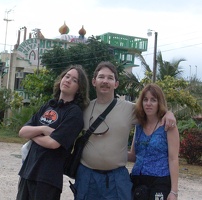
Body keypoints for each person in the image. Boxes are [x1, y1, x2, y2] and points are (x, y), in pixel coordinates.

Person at [73, 61, 176, 200]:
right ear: (93, 81)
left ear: (116, 84)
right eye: (101, 77)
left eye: (110, 78)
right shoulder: (83, 109)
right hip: (87, 176)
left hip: (117, 179)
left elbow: (152, 109)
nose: (105, 81)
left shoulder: (130, 109)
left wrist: (169, 113)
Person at [16, 64, 90, 200]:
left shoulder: (74, 113)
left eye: (74, 80)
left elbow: (53, 143)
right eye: (67, 76)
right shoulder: (49, 105)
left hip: (47, 179)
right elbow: (22, 131)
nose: (68, 80)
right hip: (27, 172)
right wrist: (43, 129)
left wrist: (32, 135)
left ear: (79, 88)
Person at [128, 83, 179, 200]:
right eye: (145, 100)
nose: (148, 104)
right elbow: (133, 156)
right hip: (137, 180)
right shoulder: (139, 126)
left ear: (159, 103)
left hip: (159, 181)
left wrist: (174, 192)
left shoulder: (168, 126)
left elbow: (173, 159)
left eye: (153, 100)